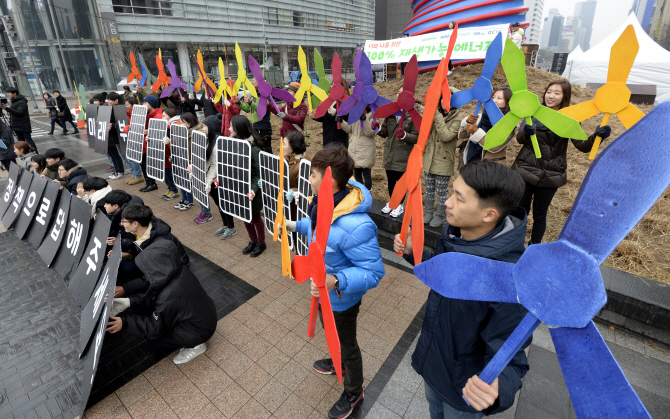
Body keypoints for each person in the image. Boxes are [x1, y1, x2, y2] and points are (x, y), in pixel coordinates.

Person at [394, 160, 530, 419]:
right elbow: (444, 272)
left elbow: (512, 354)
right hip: (435, 363)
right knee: (434, 410)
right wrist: (416, 254)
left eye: (459, 198)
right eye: (452, 192)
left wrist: (499, 386)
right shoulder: (458, 231)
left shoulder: (508, 278)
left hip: (463, 389)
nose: (447, 202)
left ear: (489, 214)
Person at [284, 145, 385, 419]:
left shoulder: (357, 224)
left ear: (330, 180)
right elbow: (319, 230)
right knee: (334, 333)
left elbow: (374, 272)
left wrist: (336, 280)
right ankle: (335, 357)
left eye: (314, 175)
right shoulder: (324, 202)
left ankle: (354, 390)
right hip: (324, 292)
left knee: (347, 342)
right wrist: (293, 225)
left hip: (341, 297)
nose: (309, 179)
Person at [513, 80, 609, 245]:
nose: (551, 96)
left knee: (540, 215)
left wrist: (597, 136)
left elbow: (582, 146)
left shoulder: (571, 118)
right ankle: (514, 245)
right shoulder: (533, 112)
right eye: (549, 91)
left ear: (565, 96)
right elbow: (520, 139)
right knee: (519, 212)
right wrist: (527, 133)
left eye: (557, 93)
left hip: (551, 175)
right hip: (525, 171)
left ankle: (533, 249)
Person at [106, 239, 217, 365]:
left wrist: (125, 323)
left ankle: (196, 345)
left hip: (199, 331)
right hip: (205, 315)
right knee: (151, 313)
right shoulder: (179, 271)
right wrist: (129, 301)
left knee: (155, 339)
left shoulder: (168, 297)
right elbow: (154, 293)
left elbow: (154, 330)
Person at [113, 203, 190, 284]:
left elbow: (160, 275)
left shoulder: (159, 246)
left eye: (123, 221)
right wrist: (128, 254)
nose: (122, 223)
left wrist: (125, 289)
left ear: (136, 224)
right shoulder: (138, 231)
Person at [377, 86, 421, 217]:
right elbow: (385, 132)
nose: (399, 95)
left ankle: (399, 205)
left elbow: (416, 137)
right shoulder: (391, 113)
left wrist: (404, 135)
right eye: (398, 93)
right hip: (389, 153)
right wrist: (378, 128)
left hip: (403, 154)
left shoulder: (413, 114)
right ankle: (392, 202)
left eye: (402, 93)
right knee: (390, 180)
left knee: (400, 182)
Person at [423, 91, 462, 228]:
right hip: (429, 158)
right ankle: (428, 212)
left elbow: (446, 136)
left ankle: (440, 215)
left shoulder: (457, 119)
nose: (444, 102)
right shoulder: (434, 114)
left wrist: (437, 116)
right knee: (428, 188)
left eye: (448, 100)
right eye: (442, 99)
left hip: (444, 161)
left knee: (441, 191)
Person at [229, 115, 266, 256]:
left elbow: (258, 174)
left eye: (232, 126)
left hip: (252, 190)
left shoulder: (253, 149)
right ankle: (253, 240)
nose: (229, 128)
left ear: (240, 128)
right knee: (244, 215)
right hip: (240, 187)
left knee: (255, 217)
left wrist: (253, 190)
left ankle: (261, 243)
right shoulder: (233, 144)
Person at [458, 88, 516, 169]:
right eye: (493, 97)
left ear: (508, 103)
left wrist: (476, 131)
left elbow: (494, 147)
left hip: (491, 169)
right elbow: (462, 136)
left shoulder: (509, 124)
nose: (494, 100)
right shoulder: (480, 117)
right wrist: (468, 122)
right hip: (470, 164)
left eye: (499, 98)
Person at [196, 114, 232, 233]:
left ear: (211, 127)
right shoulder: (208, 140)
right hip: (211, 179)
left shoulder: (217, 144)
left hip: (217, 179)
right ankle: (225, 224)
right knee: (219, 204)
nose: (203, 129)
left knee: (223, 203)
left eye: (205, 126)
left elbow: (215, 166)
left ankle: (231, 227)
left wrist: (208, 181)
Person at [341, 106, 376, 190]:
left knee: (366, 173)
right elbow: (349, 129)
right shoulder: (355, 113)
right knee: (357, 173)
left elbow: (370, 132)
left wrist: (365, 120)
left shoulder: (374, 115)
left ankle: (367, 193)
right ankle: (359, 192)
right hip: (354, 147)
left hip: (366, 148)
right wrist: (341, 121)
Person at [173, 112, 200, 211]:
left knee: (188, 182)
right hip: (181, 161)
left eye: (184, 122)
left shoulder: (195, 134)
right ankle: (184, 199)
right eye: (180, 122)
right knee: (181, 181)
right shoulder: (181, 132)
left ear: (190, 122)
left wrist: (190, 162)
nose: (181, 124)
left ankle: (190, 201)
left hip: (189, 162)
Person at [311, 80, 351, 148]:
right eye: (332, 85)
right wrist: (314, 115)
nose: (332, 87)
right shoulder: (328, 101)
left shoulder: (346, 102)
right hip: (328, 139)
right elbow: (324, 117)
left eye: (335, 85)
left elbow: (348, 118)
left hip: (340, 140)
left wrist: (336, 113)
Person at [103, 190, 144, 256]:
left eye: (107, 204)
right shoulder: (116, 213)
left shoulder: (131, 218)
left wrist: (120, 242)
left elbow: (137, 243)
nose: (104, 206)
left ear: (116, 206)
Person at [237, 79, 273, 153]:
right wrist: (239, 102)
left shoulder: (266, 95)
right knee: (257, 151)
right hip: (254, 128)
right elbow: (248, 109)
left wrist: (250, 103)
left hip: (263, 128)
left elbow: (262, 110)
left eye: (255, 79)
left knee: (266, 151)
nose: (252, 81)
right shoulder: (254, 95)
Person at [139, 95, 163, 193]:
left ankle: (152, 183)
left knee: (148, 164)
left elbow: (159, 130)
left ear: (152, 104)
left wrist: (149, 131)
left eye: (146, 102)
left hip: (150, 145)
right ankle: (148, 182)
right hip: (145, 144)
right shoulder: (148, 114)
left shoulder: (157, 116)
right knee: (143, 164)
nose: (143, 104)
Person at [2, 87, 37, 152]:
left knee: (28, 141)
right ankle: (25, 155)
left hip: (23, 125)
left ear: (15, 93)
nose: (8, 94)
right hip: (16, 125)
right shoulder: (14, 101)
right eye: (7, 93)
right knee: (21, 142)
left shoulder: (21, 101)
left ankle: (36, 154)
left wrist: (6, 108)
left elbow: (19, 113)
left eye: (9, 93)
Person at [123, 97, 145, 185]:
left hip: (136, 138)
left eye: (127, 105)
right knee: (130, 157)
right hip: (130, 136)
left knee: (133, 157)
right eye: (125, 105)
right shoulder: (127, 113)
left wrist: (128, 128)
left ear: (133, 104)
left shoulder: (136, 113)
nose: (126, 107)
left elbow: (136, 126)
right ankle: (135, 174)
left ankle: (138, 176)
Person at [160, 108, 181, 201]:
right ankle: (170, 188)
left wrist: (168, 142)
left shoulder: (175, 126)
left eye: (164, 115)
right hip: (164, 153)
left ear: (170, 116)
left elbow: (177, 144)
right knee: (165, 172)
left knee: (170, 172)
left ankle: (173, 190)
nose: (162, 117)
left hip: (170, 154)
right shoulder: (165, 126)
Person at [106, 92, 127, 180]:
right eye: (108, 99)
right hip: (112, 135)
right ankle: (117, 171)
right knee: (115, 155)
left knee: (122, 156)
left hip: (119, 136)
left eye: (110, 99)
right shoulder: (109, 109)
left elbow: (121, 123)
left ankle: (120, 172)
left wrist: (113, 124)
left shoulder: (119, 109)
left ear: (116, 100)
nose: (108, 101)